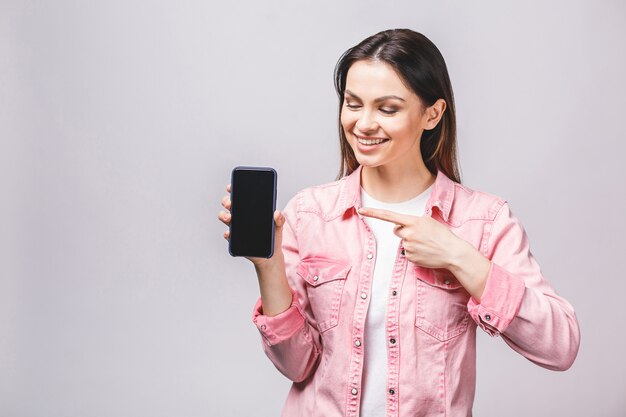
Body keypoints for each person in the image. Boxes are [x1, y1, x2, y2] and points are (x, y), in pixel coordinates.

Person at [218, 28, 580, 417]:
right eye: (353, 104)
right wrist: (269, 268)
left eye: (387, 109)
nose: (364, 124)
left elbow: (560, 347)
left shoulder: (483, 221)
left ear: (432, 114)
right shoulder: (310, 213)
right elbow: (296, 365)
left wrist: (460, 257)